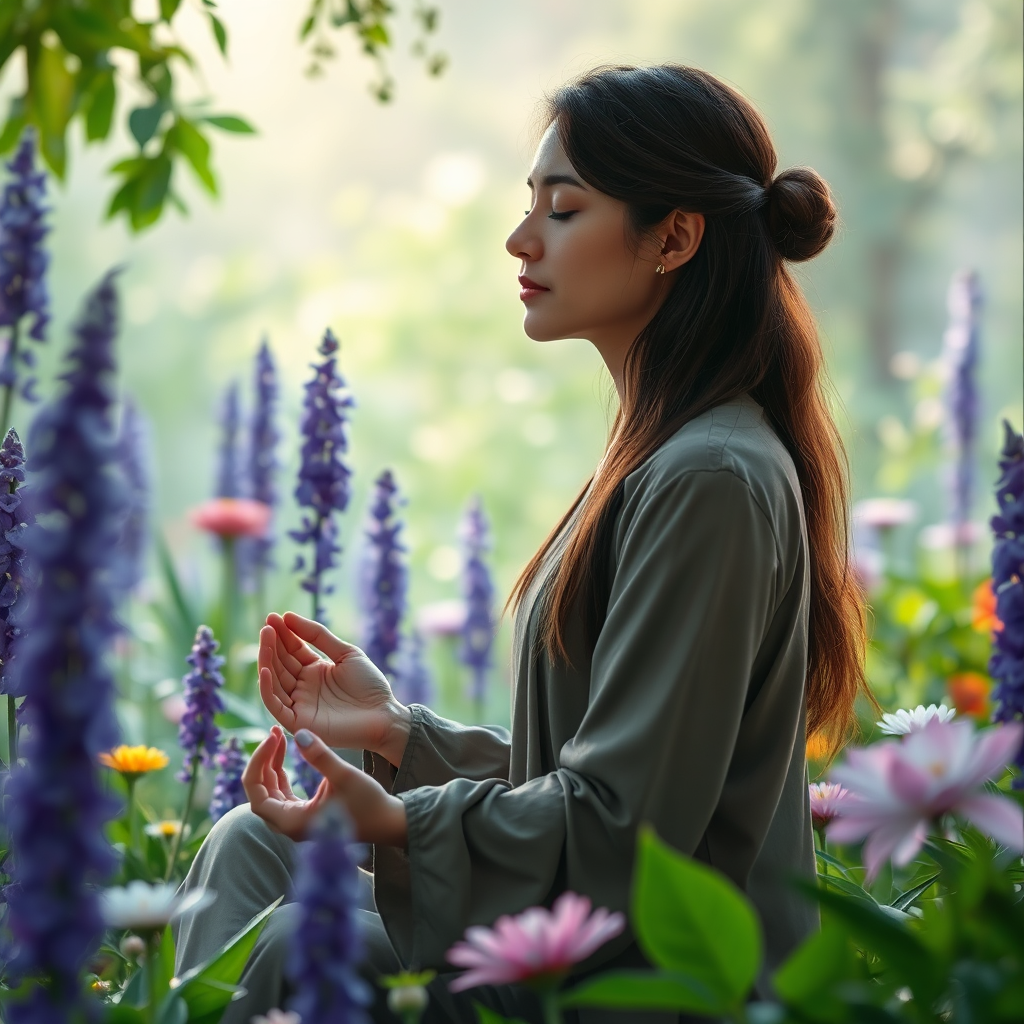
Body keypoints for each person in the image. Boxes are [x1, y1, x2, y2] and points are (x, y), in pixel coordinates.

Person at [173, 63, 868, 1023]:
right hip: (590, 927)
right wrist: (399, 735)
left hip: (665, 983)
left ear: (673, 238)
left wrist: (397, 819)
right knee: (249, 846)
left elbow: (628, 831)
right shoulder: (664, 453)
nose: (521, 237)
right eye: (529, 202)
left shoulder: (709, 479)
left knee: (301, 944)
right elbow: (596, 773)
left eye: (564, 209)